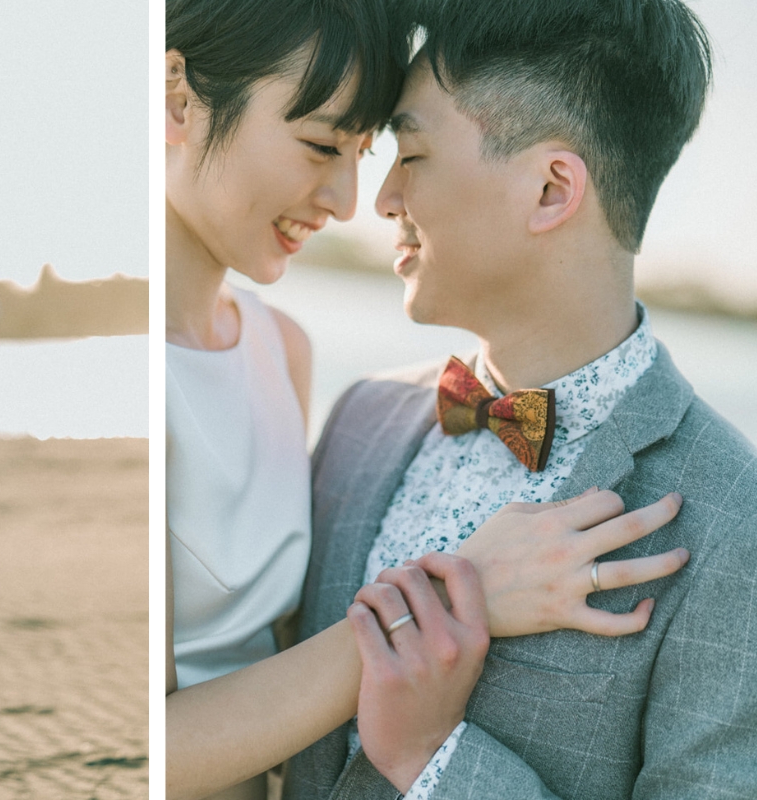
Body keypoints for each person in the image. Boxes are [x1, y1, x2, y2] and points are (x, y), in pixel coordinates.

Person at [165, 2, 689, 798]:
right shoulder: (363, 416)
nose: (357, 201)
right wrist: (456, 595)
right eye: (320, 145)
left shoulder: (287, 357)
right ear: (177, 101)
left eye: (388, 153)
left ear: (553, 189)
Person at [287, 0, 757, 797]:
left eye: (414, 153)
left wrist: (434, 759)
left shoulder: (731, 513)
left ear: (549, 189)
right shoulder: (359, 419)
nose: (383, 200)